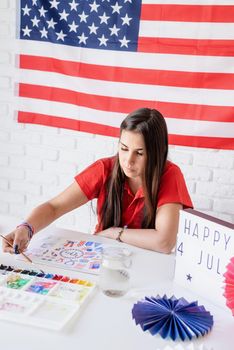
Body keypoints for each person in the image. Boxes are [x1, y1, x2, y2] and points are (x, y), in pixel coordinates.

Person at [2, 108, 193, 255]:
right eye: (124, 148)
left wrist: (114, 233)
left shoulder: (170, 175)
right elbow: (54, 207)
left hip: (147, 261)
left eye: (140, 153)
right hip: (103, 256)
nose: (128, 160)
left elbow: (164, 242)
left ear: (157, 153)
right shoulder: (105, 168)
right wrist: (26, 228)